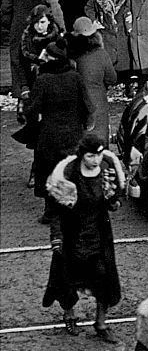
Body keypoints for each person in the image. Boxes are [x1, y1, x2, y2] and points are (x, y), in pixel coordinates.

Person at [43, 132, 125, 341]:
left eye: (98, 155)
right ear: (82, 155)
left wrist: (113, 201)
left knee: (104, 277)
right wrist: (56, 237)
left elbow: (112, 202)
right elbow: (55, 210)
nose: (95, 160)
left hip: (98, 234)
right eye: (90, 156)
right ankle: (69, 315)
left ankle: (101, 323)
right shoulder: (68, 174)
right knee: (66, 278)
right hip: (72, 234)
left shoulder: (107, 170)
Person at [28, 40, 91, 222]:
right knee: (71, 170)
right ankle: (74, 209)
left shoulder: (43, 80)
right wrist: (84, 125)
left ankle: (51, 212)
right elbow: (87, 105)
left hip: (49, 135)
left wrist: (33, 126)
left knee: (49, 171)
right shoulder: (75, 77)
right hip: (73, 134)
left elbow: (32, 110)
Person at [1, 0, 64, 99]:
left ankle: (20, 93)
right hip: (41, 26)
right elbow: (54, 6)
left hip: (18, 27)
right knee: (42, 57)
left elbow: (5, 7)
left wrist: (9, 24)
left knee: (18, 59)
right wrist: (60, 27)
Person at [68, 17, 116, 145]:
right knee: (99, 142)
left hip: (75, 105)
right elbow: (112, 78)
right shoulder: (101, 54)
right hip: (98, 103)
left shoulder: (70, 55)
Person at [86, 0, 129, 72]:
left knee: (124, 64)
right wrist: (94, 21)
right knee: (109, 64)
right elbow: (89, 7)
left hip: (122, 34)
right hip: (105, 34)